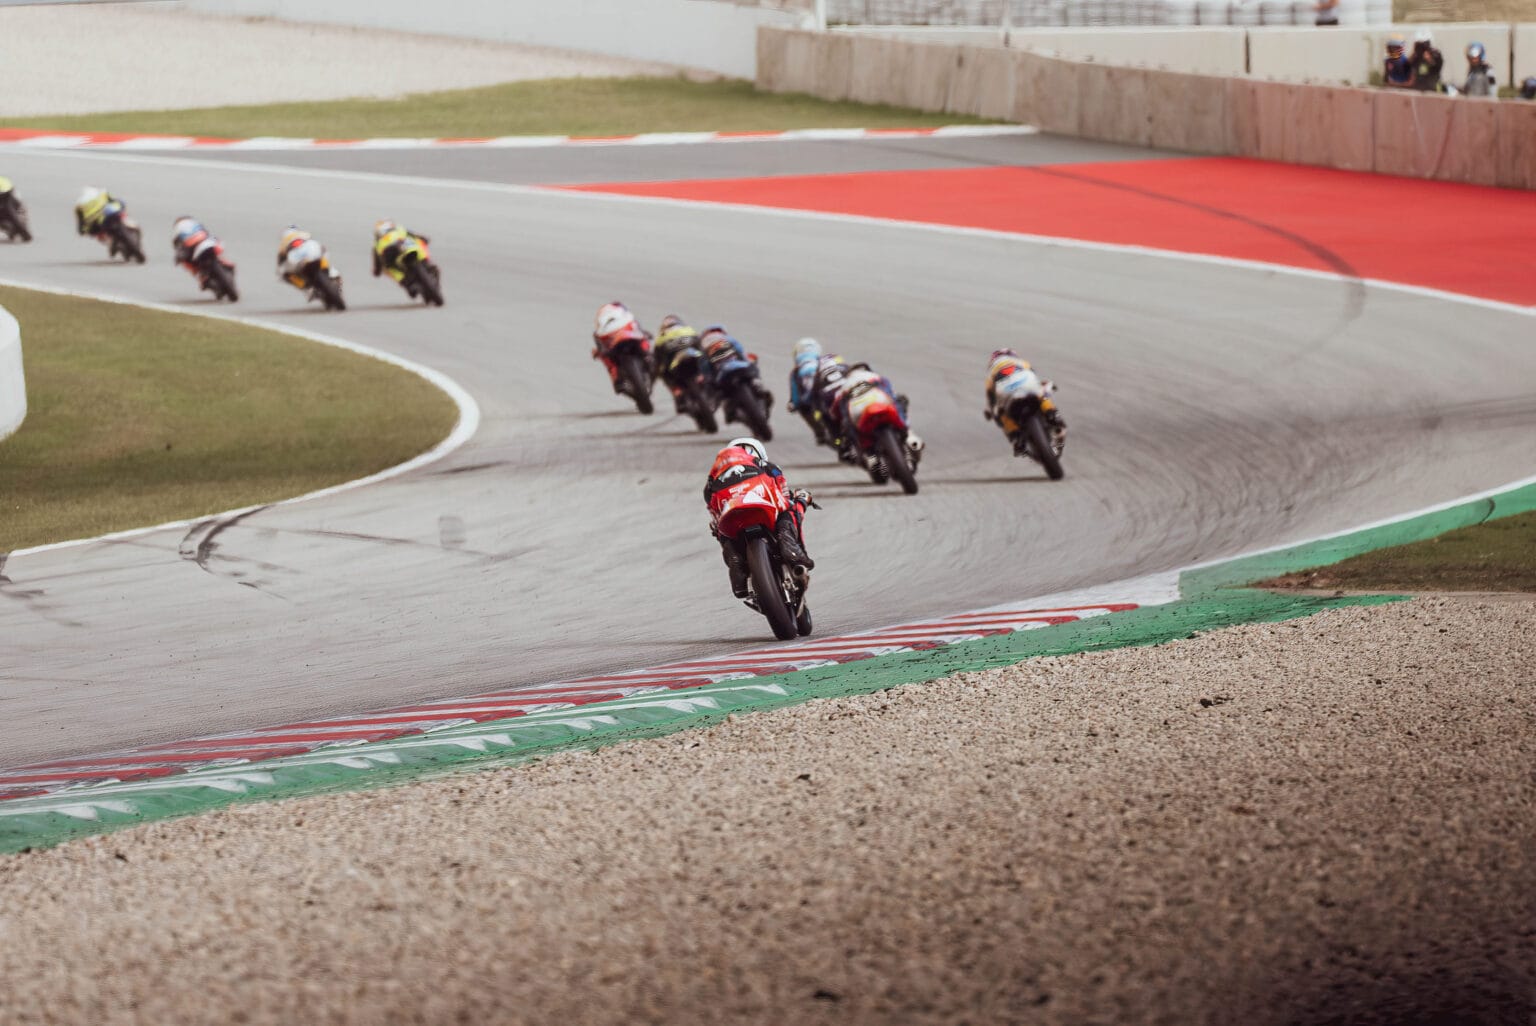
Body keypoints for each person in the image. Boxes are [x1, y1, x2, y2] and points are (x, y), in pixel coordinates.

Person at [703, 437, 813, 600]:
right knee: (788, 510)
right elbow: (784, 496)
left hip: (732, 514)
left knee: (721, 529)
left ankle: (736, 560)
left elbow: (712, 509)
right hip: (764, 508)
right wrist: (802, 499)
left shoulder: (714, 480)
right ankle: (789, 544)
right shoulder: (767, 466)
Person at [984, 348, 1066, 454]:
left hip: (1006, 393)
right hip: (1026, 383)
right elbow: (1034, 377)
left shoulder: (991, 373)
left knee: (1000, 412)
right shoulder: (1020, 362)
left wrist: (990, 412)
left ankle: (1015, 437)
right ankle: (1052, 413)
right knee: (1040, 392)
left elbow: (990, 397)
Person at [591, 302, 652, 394]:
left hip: (630, 340)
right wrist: (600, 352)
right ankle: (617, 379)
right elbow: (601, 347)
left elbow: (639, 331)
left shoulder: (628, 319)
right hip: (615, 347)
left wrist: (644, 334)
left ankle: (647, 356)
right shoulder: (600, 332)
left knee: (644, 345)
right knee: (608, 359)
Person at [652, 318, 705, 413]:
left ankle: (677, 393)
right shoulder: (688, 329)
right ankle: (701, 378)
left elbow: (657, 359)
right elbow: (700, 345)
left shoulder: (661, 336)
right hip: (692, 355)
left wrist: (656, 374)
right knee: (704, 360)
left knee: (664, 373)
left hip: (675, 361)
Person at [786, 337, 831, 444]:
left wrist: (793, 404)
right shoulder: (827, 361)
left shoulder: (796, 371)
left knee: (802, 407)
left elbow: (796, 396)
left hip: (813, 397)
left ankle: (820, 434)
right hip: (835, 392)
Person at [372, 220, 431, 295]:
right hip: (400, 249)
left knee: (388, 268)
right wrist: (424, 239)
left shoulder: (377, 243)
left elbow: (377, 263)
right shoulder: (399, 229)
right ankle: (425, 263)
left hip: (393, 253)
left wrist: (377, 271)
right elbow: (416, 235)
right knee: (419, 243)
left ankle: (407, 283)